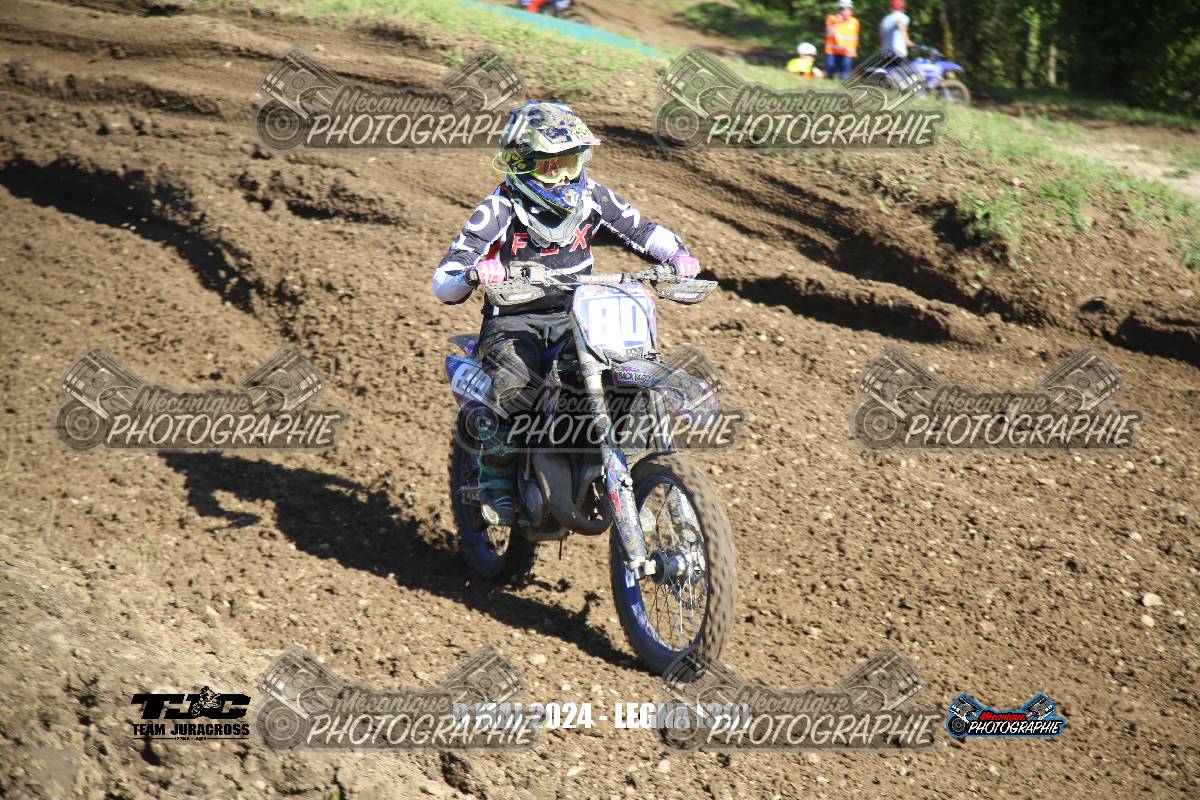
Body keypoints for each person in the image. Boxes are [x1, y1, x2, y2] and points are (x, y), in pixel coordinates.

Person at [432, 102, 700, 525]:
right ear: (521, 163)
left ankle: (618, 466)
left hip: (580, 313)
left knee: (624, 371)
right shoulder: (499, 208)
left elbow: (641, 229)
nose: (561, 177)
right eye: (549, 166)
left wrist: (677, 256)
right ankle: (495, 481)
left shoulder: (592, 196)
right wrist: (474, 273)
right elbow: (444, 279)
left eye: (570, 162)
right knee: (515, 386)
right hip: (514, 321)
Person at [824, 0, 860, 81]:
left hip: (847, 52)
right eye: (844, 9)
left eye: (849, 9)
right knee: (830, 71)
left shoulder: (855, 22)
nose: (847, 12)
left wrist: (855, 49)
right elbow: (829, 34)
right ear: (839, 10)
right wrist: (837, 22)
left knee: (844, 76)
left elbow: (855, 37)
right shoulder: (831, 19)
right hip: (832, 51)